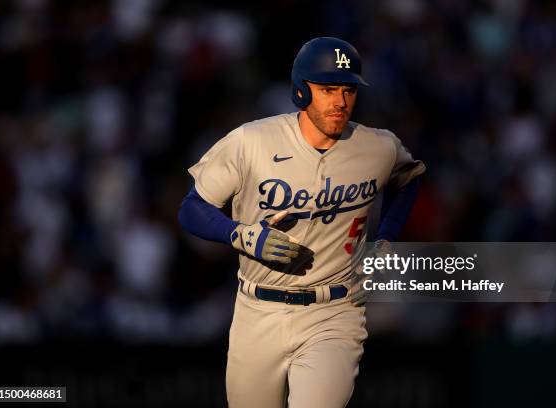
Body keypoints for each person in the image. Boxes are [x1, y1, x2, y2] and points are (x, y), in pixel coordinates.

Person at [178, 37, 425, 408]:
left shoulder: (378, 147)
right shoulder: (251, 141)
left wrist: (386, 235)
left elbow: (408, 178)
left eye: (348, 90)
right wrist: (240, 235)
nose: (340, 102)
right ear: (300, 90)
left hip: (335, 312)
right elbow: (192, 208)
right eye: (327, 89)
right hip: (257, 310)